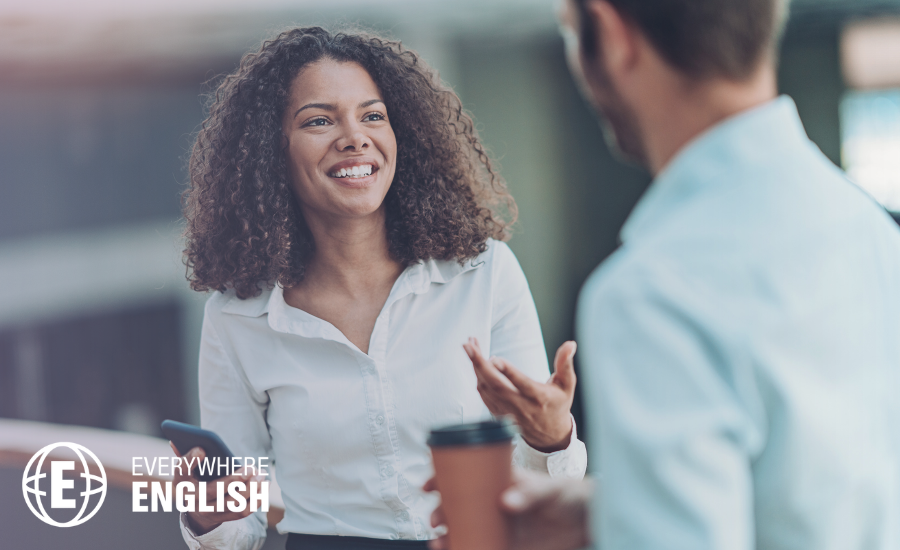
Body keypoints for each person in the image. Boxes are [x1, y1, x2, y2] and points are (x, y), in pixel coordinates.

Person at [429, 0, 900, 549]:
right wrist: (614, 510)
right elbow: (823, 489)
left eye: (573, 35)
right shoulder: (868, 228)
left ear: (611, 33)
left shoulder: (652, 292)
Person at [174, 27, 587, 550]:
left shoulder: (483, 273)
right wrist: (209, 513)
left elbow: (545, 491)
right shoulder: (238, 318)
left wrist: (550, 436)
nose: (354, 137)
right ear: (269, 150)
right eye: (319, 120)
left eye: (373, 115)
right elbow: (240, 534)